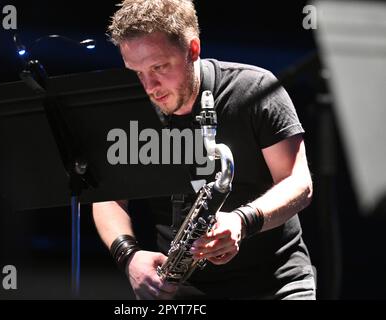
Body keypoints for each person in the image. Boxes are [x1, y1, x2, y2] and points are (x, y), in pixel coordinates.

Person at [93, 0, 316, 300]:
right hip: (181, 290)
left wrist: (242, 221)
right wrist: (128, 255)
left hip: (277, 283)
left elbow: (299, 183)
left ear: (193, 49)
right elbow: (107, 197)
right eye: (137, 72)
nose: (149, 86)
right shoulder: (130, 111)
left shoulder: (255, 90)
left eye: (159, 67)